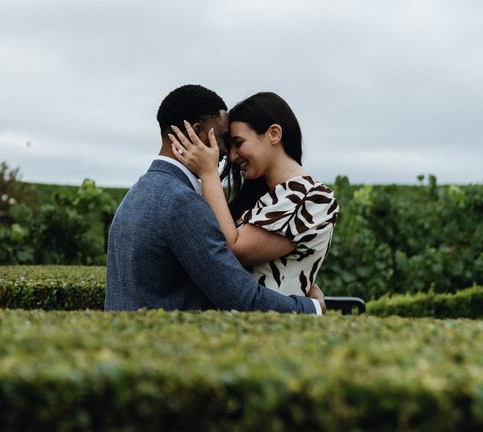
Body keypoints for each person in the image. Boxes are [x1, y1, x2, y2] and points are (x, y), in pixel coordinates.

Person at [105, 85, 324, 315]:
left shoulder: (138, 192)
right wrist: (311, 308)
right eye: (223, 139)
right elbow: (239, 297)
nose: (227, 153)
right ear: (198, 134)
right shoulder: (182, 203)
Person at [168, 91, 339, 297]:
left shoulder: (312, 197)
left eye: (238, 143)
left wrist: (209, 172)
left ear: (274, 133)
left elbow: (231, 249)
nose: (231, 156)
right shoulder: (269, 195)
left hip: (270, 325)